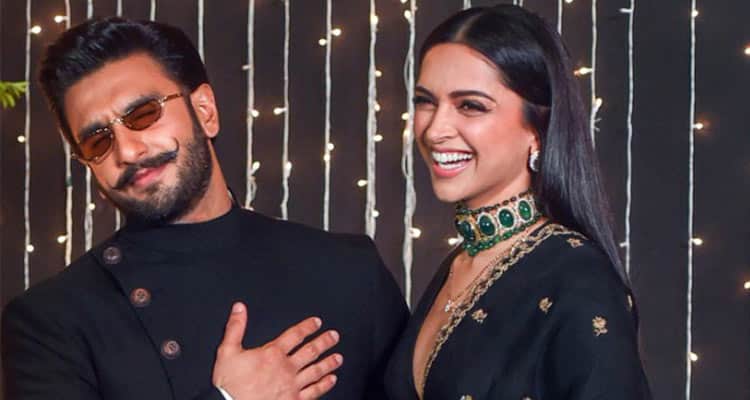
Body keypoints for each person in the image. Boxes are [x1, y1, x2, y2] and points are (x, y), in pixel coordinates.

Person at [1, 17, 408, 400]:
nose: (127, 151)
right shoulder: (50, 322)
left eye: (143, 114)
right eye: (98, 141)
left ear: (205, 111)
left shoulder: (349, 271)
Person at [384, 5, 651, 399]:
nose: (435, 129)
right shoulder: (461, 265)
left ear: (537, 130)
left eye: (470, 105)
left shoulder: (577, 278)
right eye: (426, 101)